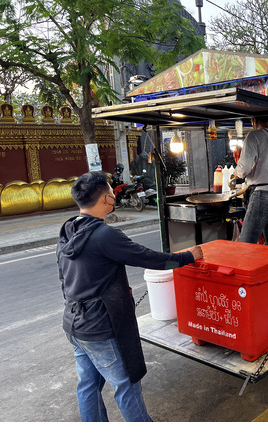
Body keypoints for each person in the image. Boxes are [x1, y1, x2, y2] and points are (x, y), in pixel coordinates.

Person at [57, 171, 203, 422]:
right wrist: (188, 256)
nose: (114, 194)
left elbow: (64, 278)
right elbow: (149, 258)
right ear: (105, 199)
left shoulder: (68, 230)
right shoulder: (104, 235)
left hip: (74, 325)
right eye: (111, 191)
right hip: (100, 328)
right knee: (126, 385)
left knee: (88, 385)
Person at [234, 114, 268, 246]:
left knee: (245, 246)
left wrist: (237, 173)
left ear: (253, 120)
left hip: (261, 198)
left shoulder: (254, 136)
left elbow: (243, 168)